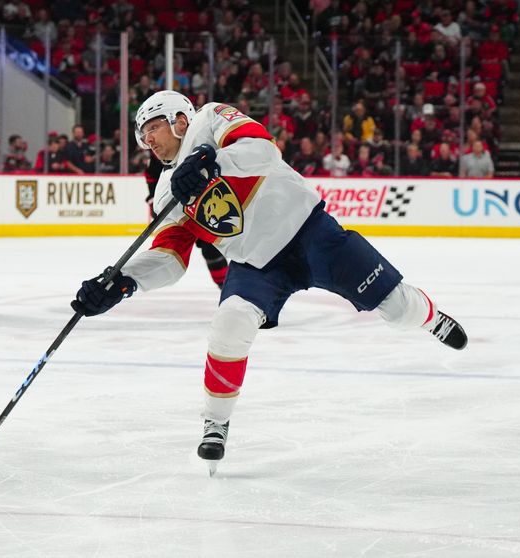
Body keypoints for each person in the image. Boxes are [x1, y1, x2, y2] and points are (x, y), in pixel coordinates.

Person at [71, 91, 468, 474]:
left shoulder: (209, 120)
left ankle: (431, 318)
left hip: (313, 234)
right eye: (142, 136)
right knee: (230, 323)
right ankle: (216, 422)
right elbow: (170, 259)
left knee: (399, 308)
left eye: (152, 128)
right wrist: (123, 282)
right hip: (256, 264)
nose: (148, 141)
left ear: (178, 119)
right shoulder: (165, 194)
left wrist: (212, 161)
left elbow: (264, 151)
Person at [145, 151, 228, 289]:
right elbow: (151, 176)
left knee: (210, 249)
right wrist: (154, 198)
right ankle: (226, 286)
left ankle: (225, 287)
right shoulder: (157, 153)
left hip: (200, 204)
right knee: (172, 252)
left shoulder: (191, 142)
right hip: (174, 211)